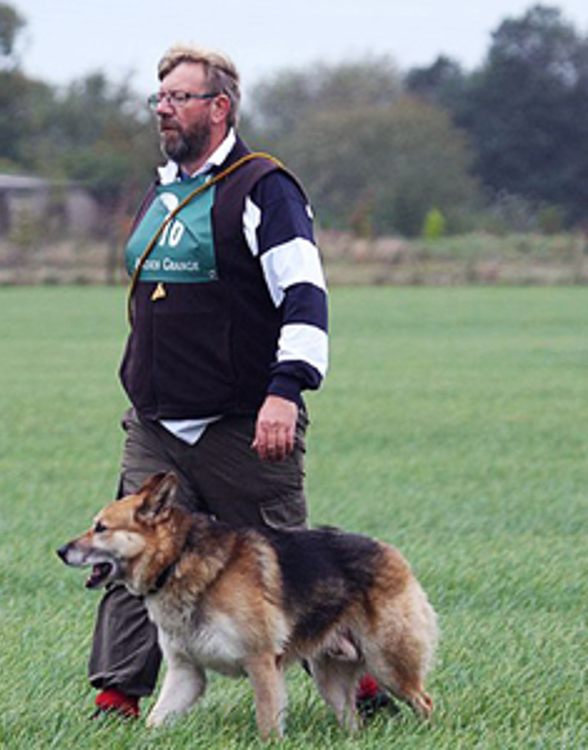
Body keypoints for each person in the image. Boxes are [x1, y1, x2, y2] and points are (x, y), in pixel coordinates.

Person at [87, 43, 380, 720]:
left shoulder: (264, 188)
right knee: (128, 549)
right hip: (158, 421)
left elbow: (305, 294)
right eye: (159, 99)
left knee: (287, 563)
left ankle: (360, 682)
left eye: (179, 98)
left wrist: (287, 389)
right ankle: (116, 697)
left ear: (219, 107)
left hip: (244, 419)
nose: (164, 110)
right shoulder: (162, 190)